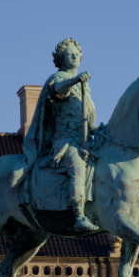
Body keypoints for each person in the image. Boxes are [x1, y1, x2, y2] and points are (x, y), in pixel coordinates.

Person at [23, 38, 98, 233]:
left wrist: (98, 130)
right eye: (69, 54)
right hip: (65, 141)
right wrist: (75, 80)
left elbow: (89, 122)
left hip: (85, 140)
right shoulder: (58, 79)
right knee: (78, 166)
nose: (74, 56)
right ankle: (79, 216)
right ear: (60, 59)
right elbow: (58, 90)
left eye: (76, 54)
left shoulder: (85, 89)